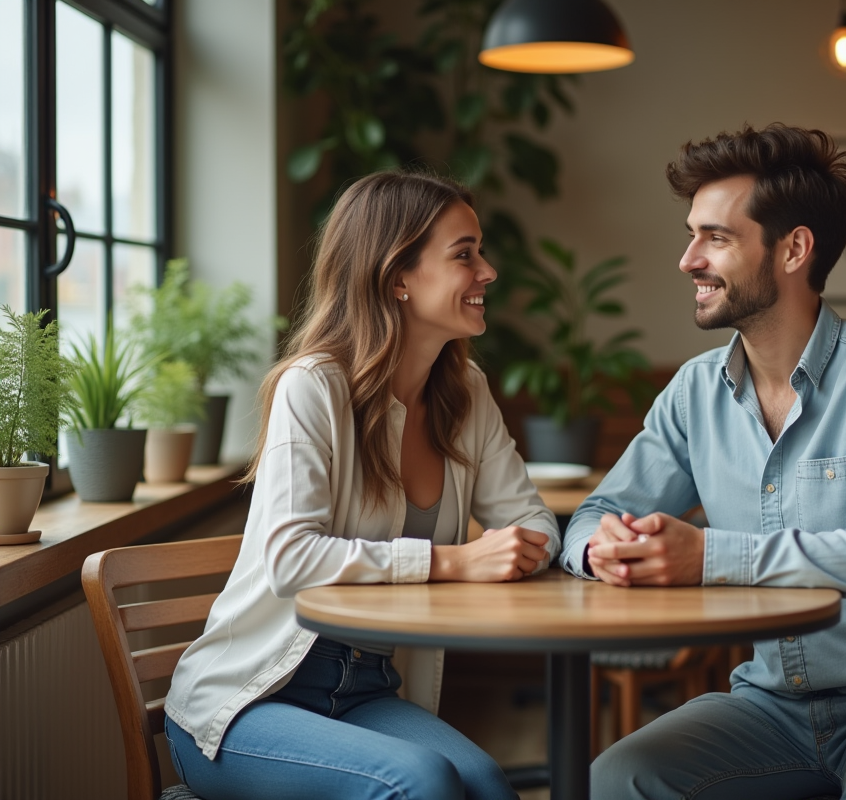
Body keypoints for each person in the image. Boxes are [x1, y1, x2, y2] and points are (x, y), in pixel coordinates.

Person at [560, 124, 846, 800]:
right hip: (768, 706)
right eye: (692, 233)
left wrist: (708, 558)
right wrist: (603, 547)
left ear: (794, 248)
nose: (687, 260)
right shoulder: (695, 389)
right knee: (614, 781)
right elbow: (592, 513)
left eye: (716, 237)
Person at [164, 171, 560, 800]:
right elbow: (292, 559)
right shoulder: (312, 386)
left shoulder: (468, 392)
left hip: (364, 689)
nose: (487, 271)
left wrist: (520, 547)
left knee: (487, 784)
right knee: (421, 783)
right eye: (464, 254)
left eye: (479, 251)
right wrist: (454, 561)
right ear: (397, 277)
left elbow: (534, 520)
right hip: (246, 700)